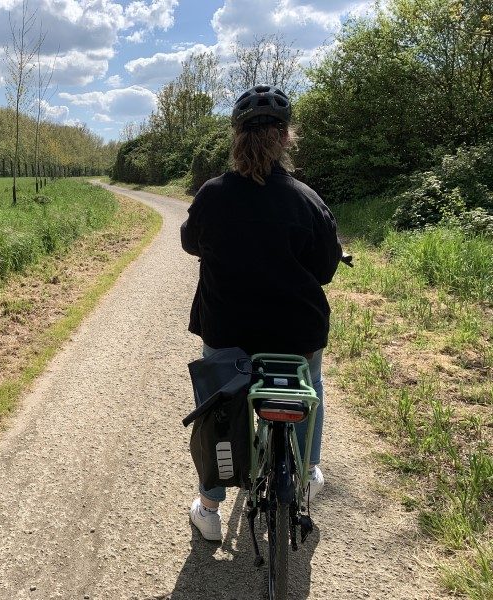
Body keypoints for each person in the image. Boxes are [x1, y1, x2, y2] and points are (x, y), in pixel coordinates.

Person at [180, 84, 343, 542]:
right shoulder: (307, 200)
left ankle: (210, 506)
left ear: (236, 137)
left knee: (218, 406)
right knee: (310, 383)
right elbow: (326, 268)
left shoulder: (212, 195)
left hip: (228, 329)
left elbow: (191, 242)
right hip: (296, 332)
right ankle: (308, 468)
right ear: (287, 137)